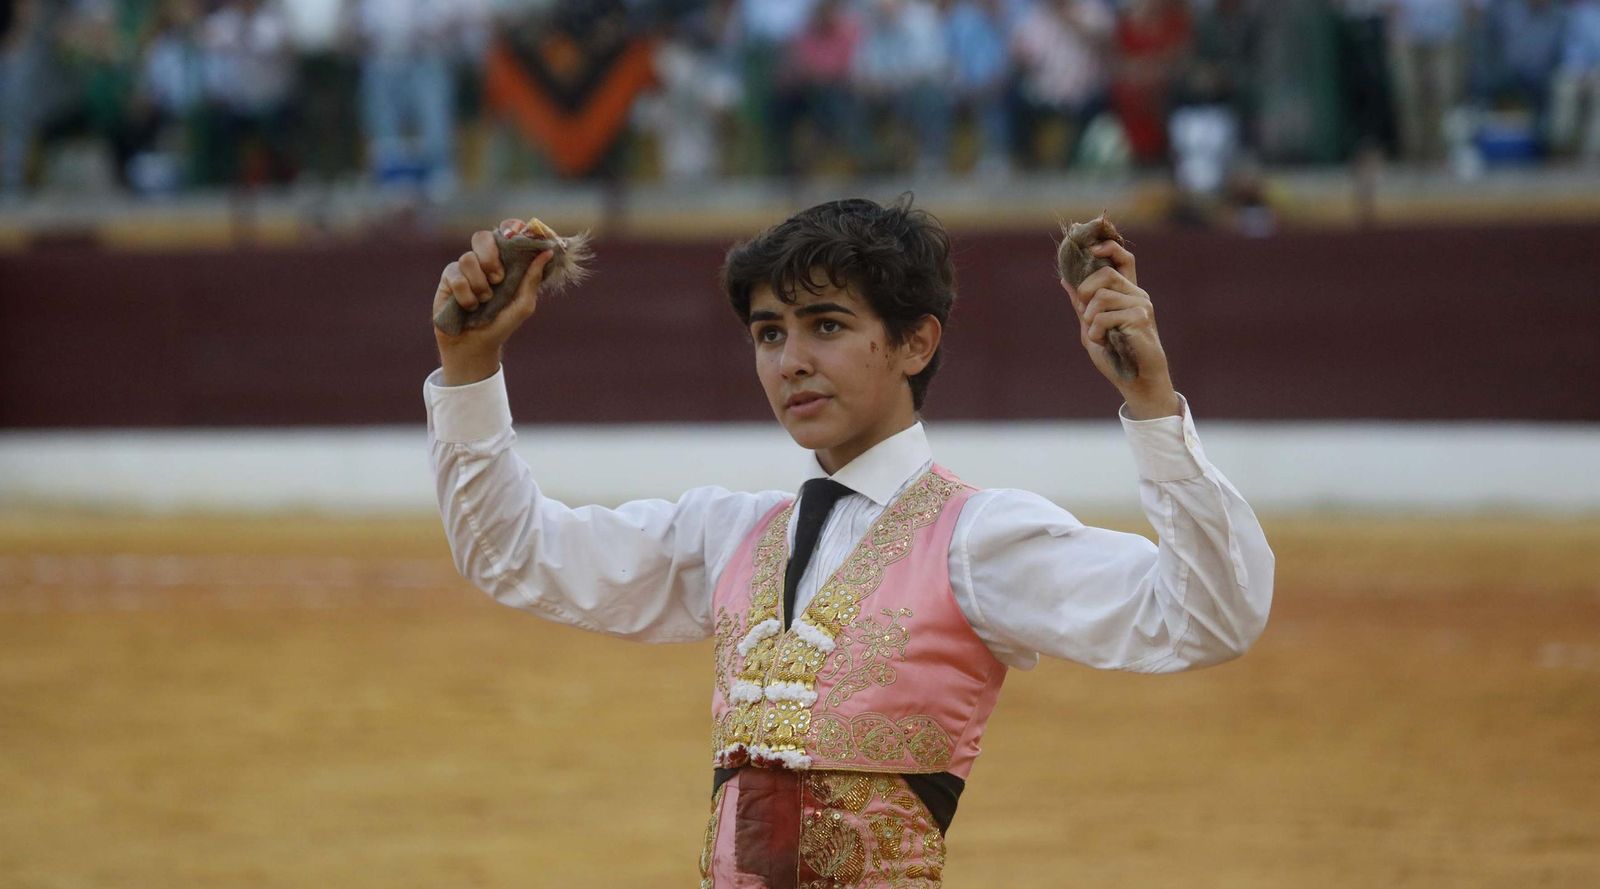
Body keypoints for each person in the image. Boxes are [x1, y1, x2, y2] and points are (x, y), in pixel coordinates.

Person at [424, 197, 1275, 886]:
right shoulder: (730, 534)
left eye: (825, 325)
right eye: (768, 334)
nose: (790, 359)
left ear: (915, 341)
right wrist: (468, 367)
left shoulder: (976, 540)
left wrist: (1154, 407)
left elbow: (1207, 615)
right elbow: (513, 551)